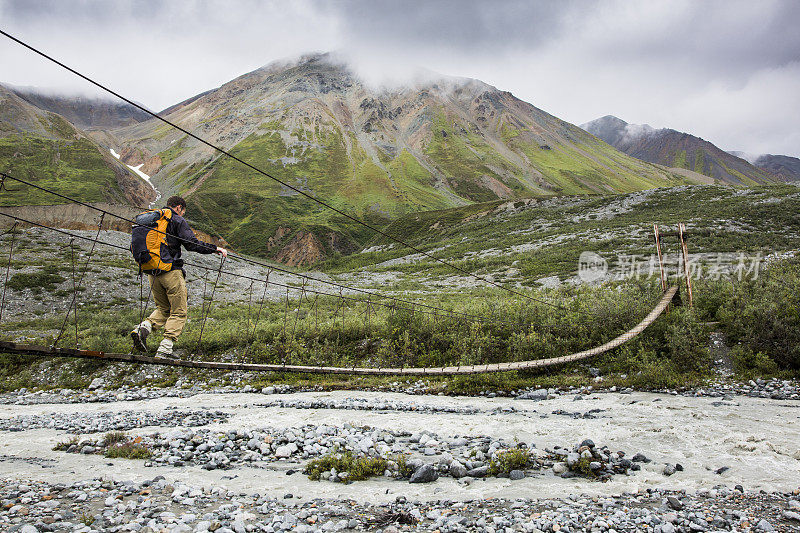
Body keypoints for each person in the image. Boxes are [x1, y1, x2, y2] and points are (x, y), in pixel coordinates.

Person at [130, 195, 227, 357]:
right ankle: (165, 348)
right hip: (170, 271)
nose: (182, 214)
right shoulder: (176, 220)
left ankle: (143, 328)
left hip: (151, 272)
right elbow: (191, 243)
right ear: (179, 208)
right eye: (183, 211)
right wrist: (215, 248)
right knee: (179, 311)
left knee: (163, 308)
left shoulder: (154, 219)